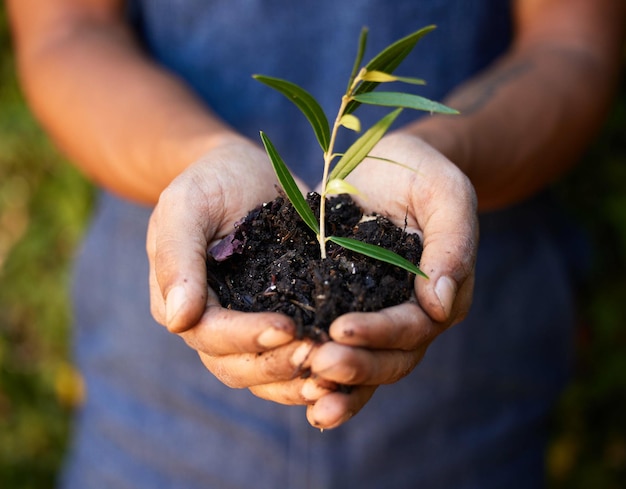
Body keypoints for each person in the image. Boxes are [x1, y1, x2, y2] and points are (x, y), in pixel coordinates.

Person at [7, 0, 625, 487]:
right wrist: (197, 159)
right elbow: (67, 31)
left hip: (470, 400)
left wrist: (443, 155)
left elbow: (574, 41)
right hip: (156, 417)